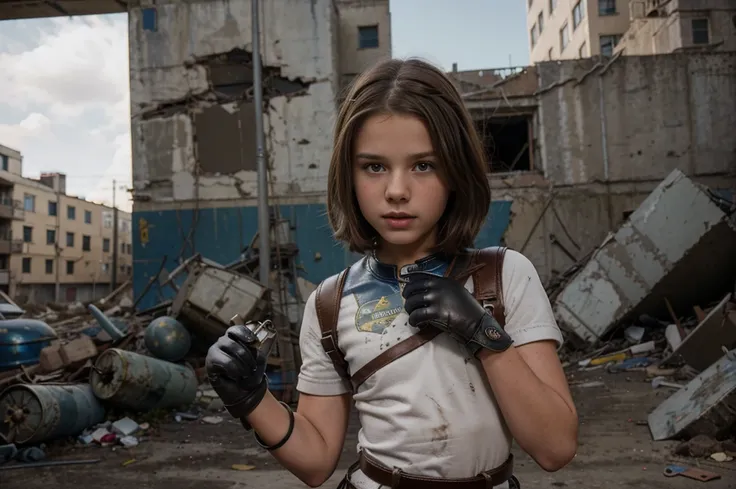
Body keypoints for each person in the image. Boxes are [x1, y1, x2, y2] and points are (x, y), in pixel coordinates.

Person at [205, 57, 578, 489]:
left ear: (456, 171)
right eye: (374, 166)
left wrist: (483, 332)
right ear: (348, 174)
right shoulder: (329, 304)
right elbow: (316, 460)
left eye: (423, 165)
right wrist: (251, 398)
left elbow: (556, 448)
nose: (397, 191)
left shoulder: (504, 276)